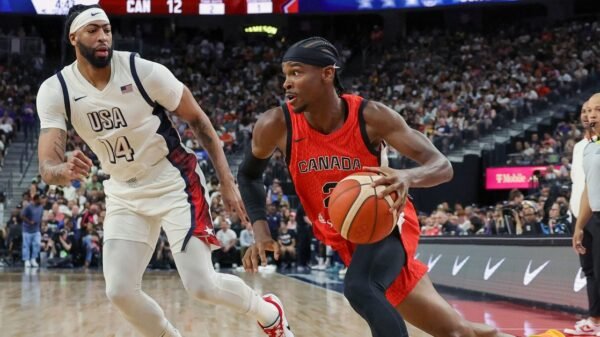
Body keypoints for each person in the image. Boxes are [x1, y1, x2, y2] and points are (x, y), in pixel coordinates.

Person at [35, 5, 292, 337]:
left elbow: (199, 121)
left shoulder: (141, 70)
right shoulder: (56, 90)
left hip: (174, 180)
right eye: (93, 30)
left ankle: (269, 314)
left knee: (201, 285)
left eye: (107, 29)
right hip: (124, 190)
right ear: (74, 37)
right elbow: (47, 165)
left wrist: (226, 182)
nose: (103, 37)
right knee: (120, 290)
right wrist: (60, 169)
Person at [239, 36, 512, 337]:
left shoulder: (371, 116)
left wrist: (407, 176)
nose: (286, 83)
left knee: (361, 287)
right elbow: (249, 175)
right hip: (346, 235)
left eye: (296, 72)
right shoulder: (276, 124)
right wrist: (261, 232)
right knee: (456, 333)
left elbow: (442, 166)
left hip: (387, 220)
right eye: (285, 75)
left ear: (327, 73)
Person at [568, 97, 600, 335]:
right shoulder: (586, 147)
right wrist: (579, 224)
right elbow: (587, 187)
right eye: (587, 110)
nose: (590, 115)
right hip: (588, 213)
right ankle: (595, 319)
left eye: (597, 109)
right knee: (592, 271)